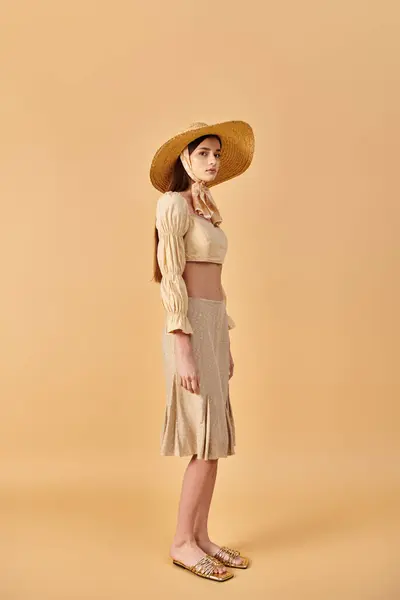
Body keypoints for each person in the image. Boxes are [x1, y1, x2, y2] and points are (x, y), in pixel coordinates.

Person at [150, 121, 255, 582]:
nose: (213, 161)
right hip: (189, 326)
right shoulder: (172, 205)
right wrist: (184, 345)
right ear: (184, 159)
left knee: (214, 442)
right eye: (204, 153)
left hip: (212, 326)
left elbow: (217, 283)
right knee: (202, 440)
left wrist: (223, 339)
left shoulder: (207, 209)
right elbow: (172, 278)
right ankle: (181, 543)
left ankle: (202, 536)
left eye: (217, 153)